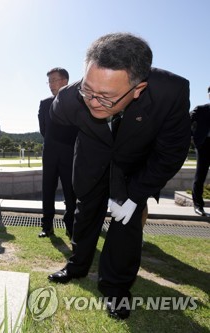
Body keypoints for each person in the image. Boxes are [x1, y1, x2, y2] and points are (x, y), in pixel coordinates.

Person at [47, 33, 190, 320]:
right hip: (91, 160)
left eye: (107, 97)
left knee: (127, 226)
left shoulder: (170, 93)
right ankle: (76, 266)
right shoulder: (67, 101)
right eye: (88, 90)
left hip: (134, 164)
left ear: (139, 89)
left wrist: (137, 194)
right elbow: (61, 124)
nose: (93, 102)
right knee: (85, 215)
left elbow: (172, 153)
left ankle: (116, 288)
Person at [38, 67, 78, 239]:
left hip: (70, 155)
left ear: (65, 81)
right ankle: (47, 227)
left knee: (71, 193)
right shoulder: (44, 103)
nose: (51, 84)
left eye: (54, 80)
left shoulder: (77, 101)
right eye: (49, 81)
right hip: (50, 155)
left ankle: (71, 227)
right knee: (47, 191)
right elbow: (43, 130)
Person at [189, 86, 210, 216]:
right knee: (200, 176)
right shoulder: (202, 109)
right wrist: (192, 136)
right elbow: (185, 121)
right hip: (205, 145)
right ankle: (198, 206)